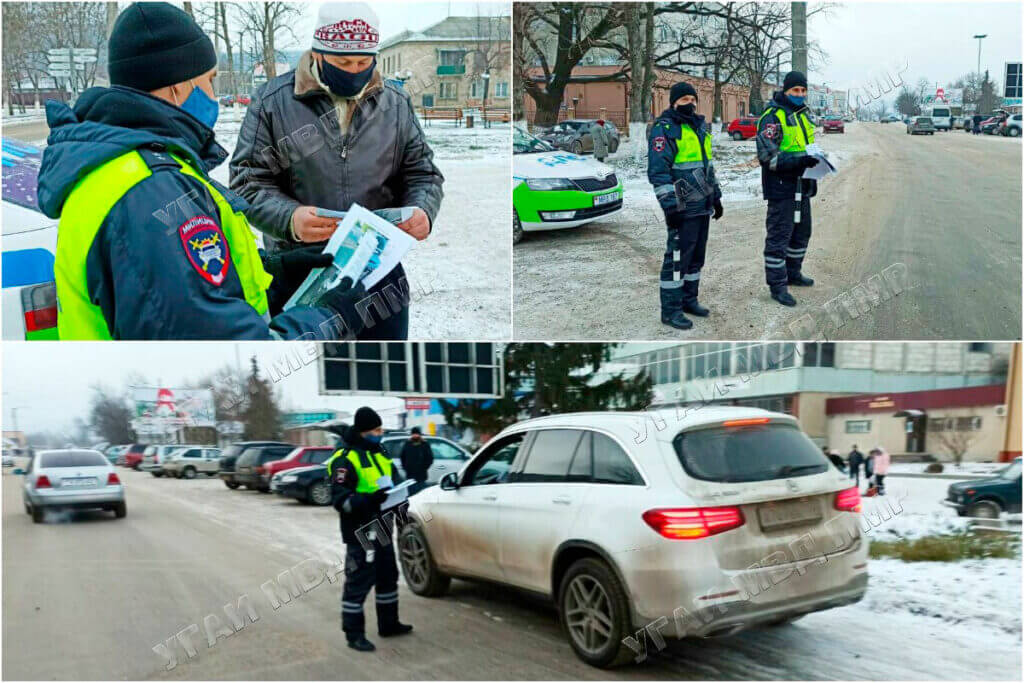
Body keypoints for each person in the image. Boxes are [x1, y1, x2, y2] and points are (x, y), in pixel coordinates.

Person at [36, 2, 366, 341]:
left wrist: (278, 272)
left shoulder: (125, 169)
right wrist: (330, 315)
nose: (214, 93)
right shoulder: (151, 191)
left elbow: (186, 290)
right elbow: (230, 357)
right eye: (209, 80)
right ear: (177, 87)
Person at [231, 2, 444, 341]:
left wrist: (423, 211)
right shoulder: (272, 101)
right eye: (343, 62)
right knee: (315, 366)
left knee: (382, 367)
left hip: (377, 271)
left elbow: (423, 173)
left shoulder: (395, 102)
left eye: (364, 62)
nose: (355, 70)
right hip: (297, 267)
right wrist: (290, 219)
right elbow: (246, 182)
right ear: (317, 53)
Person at [326, 407, 412, 652]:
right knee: (359, 581)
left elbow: (393, 480)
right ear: (364, 431)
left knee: (387, 576)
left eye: (381, 429)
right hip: (361, 531)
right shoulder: (344, 459)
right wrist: (369, 500)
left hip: (383, 526)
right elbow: (341, 501)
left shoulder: (380, 452)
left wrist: (401, 500)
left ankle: (389, 623)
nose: (380, 433)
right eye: (376, 430)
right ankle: (353, 634)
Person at [647, 81, 724, 331]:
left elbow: (707, 167)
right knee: (678, 260)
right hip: (681, 207)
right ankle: (671, 310)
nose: (690, 104)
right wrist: (670, 207)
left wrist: (716, 196)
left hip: (702, 205)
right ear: (673, 103)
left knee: (695, 259)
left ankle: (689, 300)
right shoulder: (665, 130)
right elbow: (659, 173)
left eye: (693, 99)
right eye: (684, 100)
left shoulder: (700, 128)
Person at [755, 70, 821, 308]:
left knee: (802, 233)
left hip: (801, 185)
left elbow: (808, 149)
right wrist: (800, 163)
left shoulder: (803, 115)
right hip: (781, 188)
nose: (800, 94)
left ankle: (793, 273)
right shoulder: (772, 117)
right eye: (795, 90)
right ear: (785, 90)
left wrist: (814, 167)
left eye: (803, 90)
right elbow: (768, 157)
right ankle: (777, 286)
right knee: (779, 237)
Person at [399, 427, 434, 494]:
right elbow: (402, 457)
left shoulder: (425, 444)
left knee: (421, 494)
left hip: (421, 476)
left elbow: (430, 458)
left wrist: (424, 467)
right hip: (410, 475)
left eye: (416, 434)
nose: (415, 436)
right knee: (411, 495)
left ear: (419, 435)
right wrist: (406, 468)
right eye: (413, 434)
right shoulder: (407, 444)